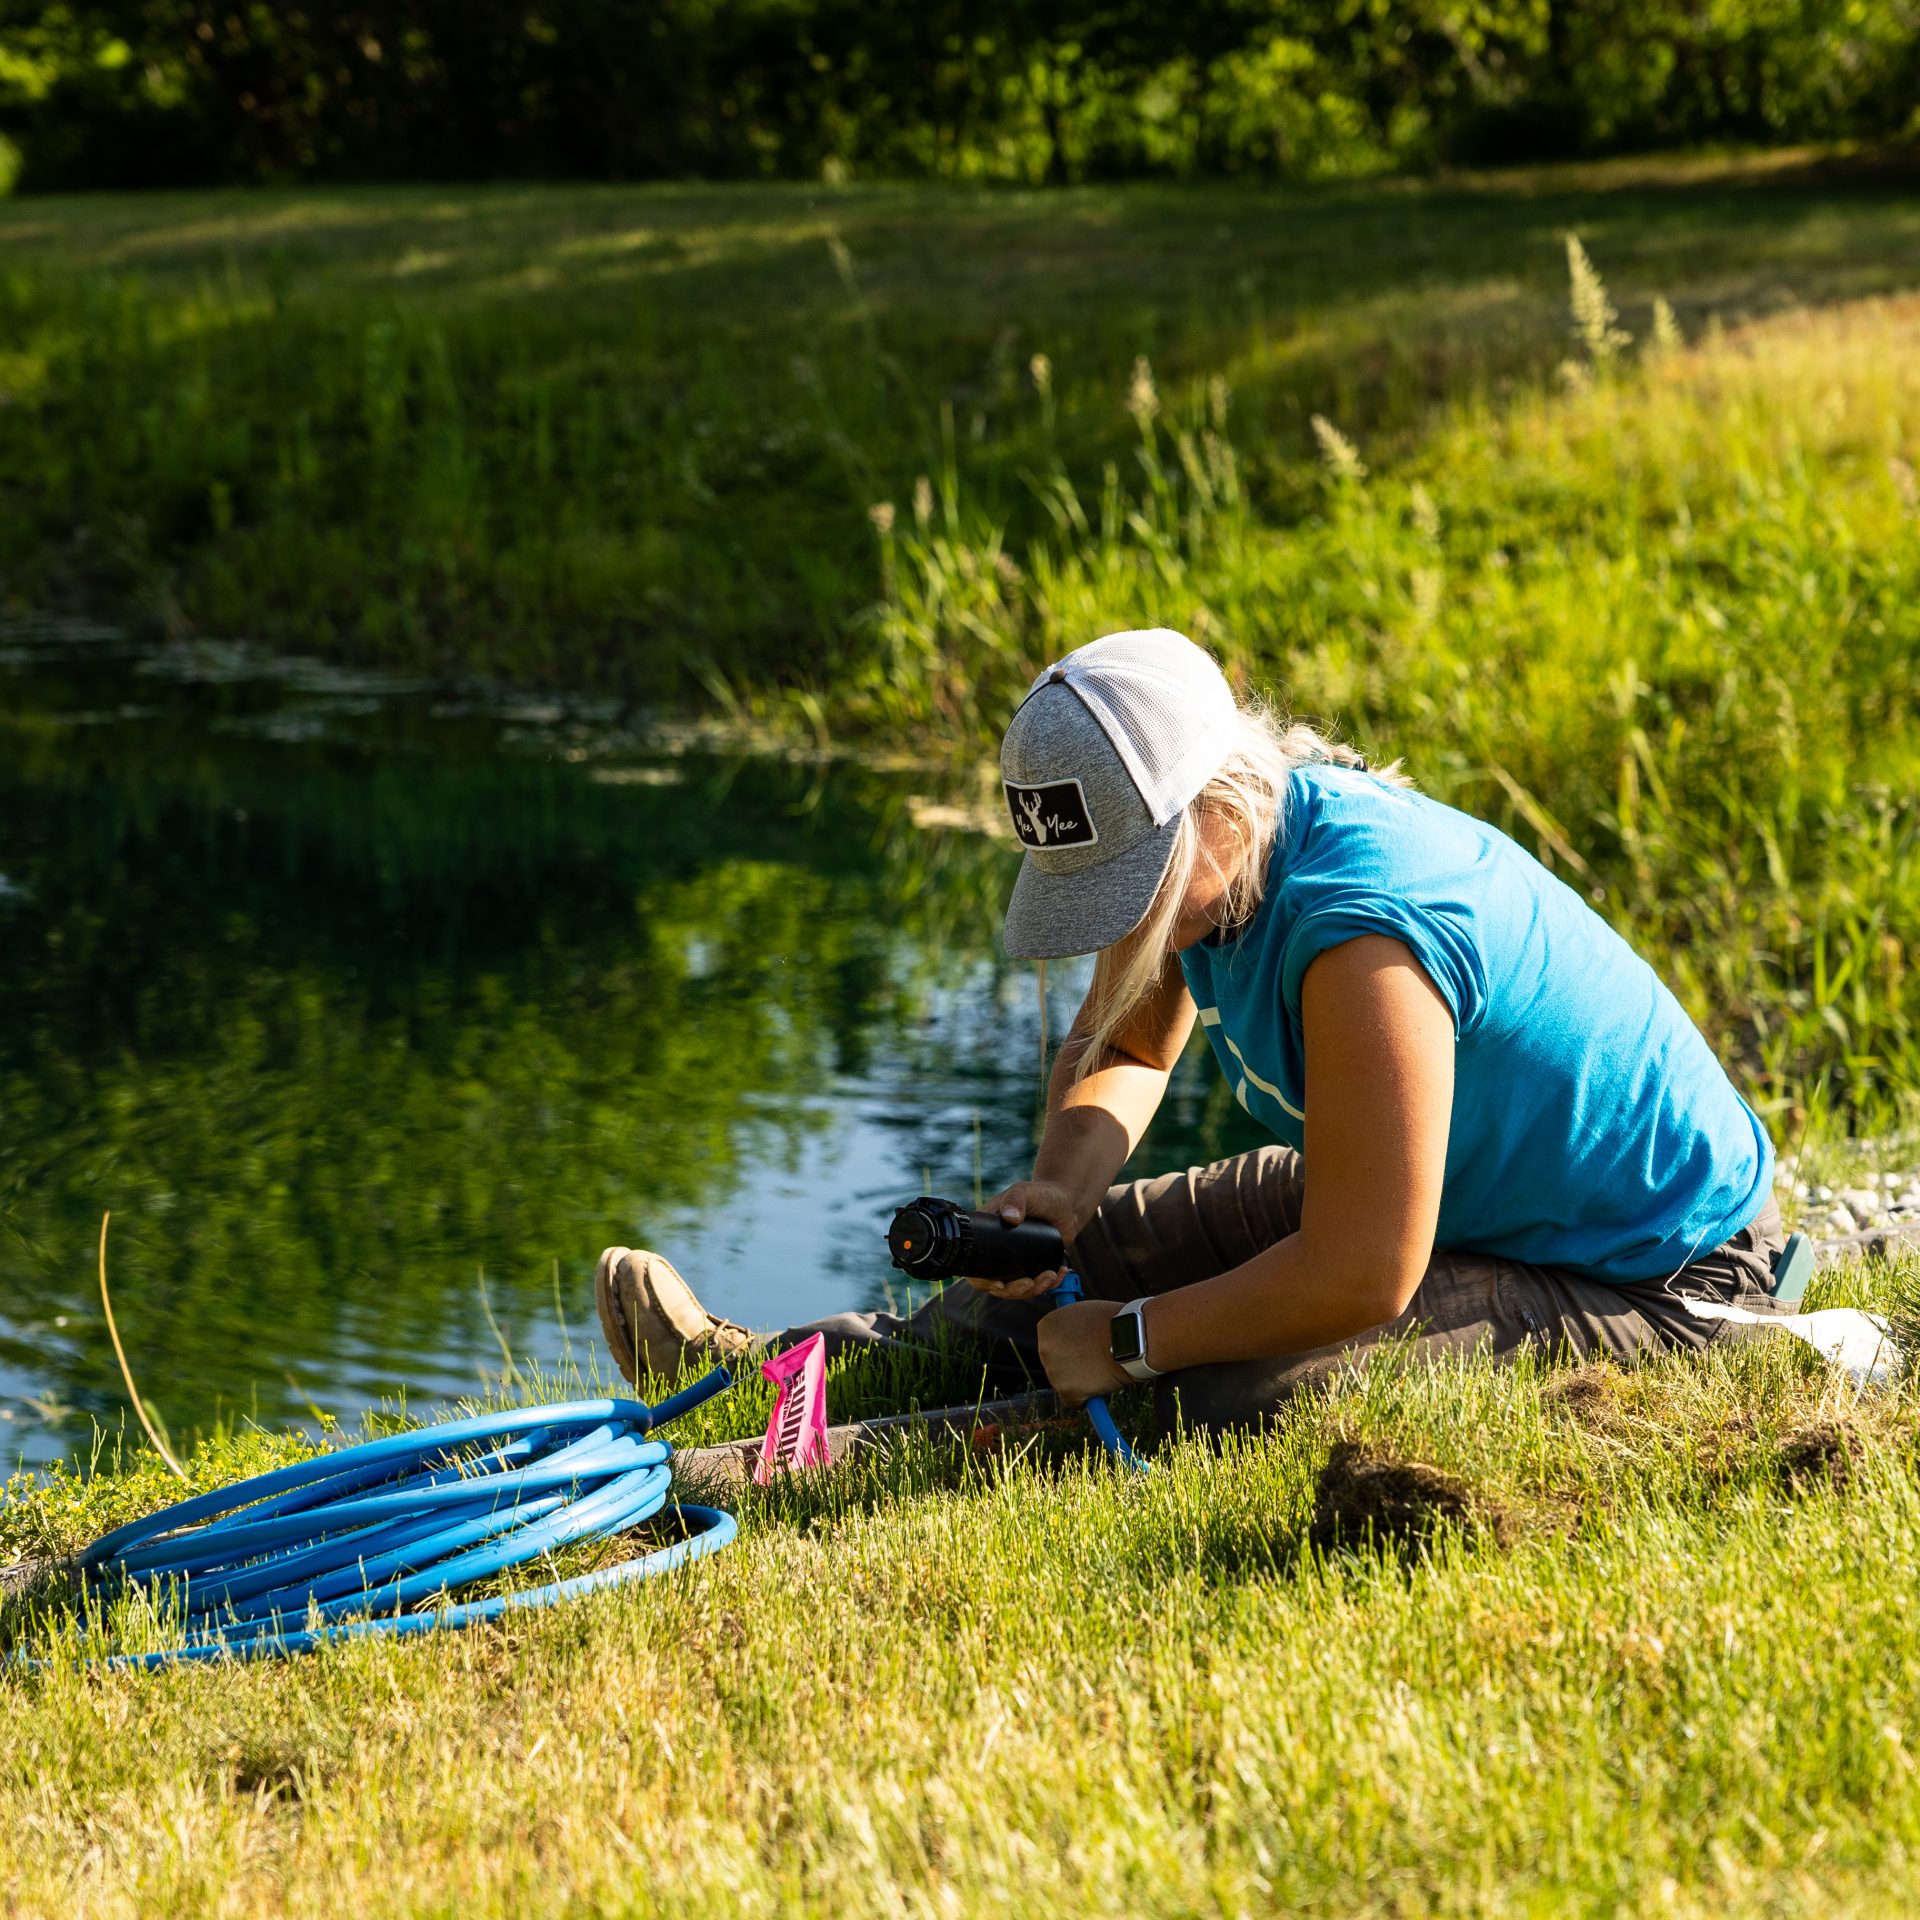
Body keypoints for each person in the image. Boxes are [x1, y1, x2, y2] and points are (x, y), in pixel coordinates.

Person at [596, 628, 1788, 1436]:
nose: (1126, 925)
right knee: (1102, 1251)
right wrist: (1060, 1194)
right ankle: (767, 1383)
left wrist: (1128, 1340)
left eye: (1134, 886)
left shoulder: (1364, 933)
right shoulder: (1229, 861)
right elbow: (1121, 1042)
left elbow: (1367, 1274)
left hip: (1651, 1280)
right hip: (1444, 1214)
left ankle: (845, 1461)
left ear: (1213, 804)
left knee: (1224, 1391)